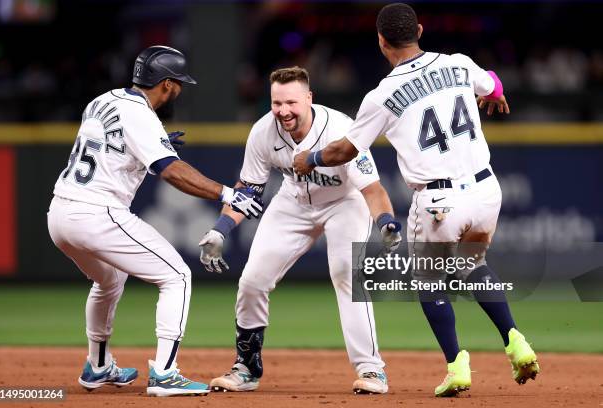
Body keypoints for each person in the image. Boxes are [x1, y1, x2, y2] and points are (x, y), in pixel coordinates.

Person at [293, 3, 539, 398]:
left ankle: (457, 365)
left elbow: (344, 151)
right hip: (485, 189)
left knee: (428, 279)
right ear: (420, 30)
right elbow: (492, 84)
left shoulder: (383, 94)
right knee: (473, 263)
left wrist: (312, 158)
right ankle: (515, 340)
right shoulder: (458, 63)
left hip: (440, 199)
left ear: (380, 40)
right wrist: (497, 92)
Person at [47, 45, 263, 397]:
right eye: (177, 83)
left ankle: (97, 366)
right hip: (96, 212)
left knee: (109, 281)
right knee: (177, 276)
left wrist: (154, 142)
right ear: (165, 84)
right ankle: (165, 373)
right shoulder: (141, 116)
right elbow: (171, 170)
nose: (179, 90)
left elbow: (112, 147)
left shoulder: (102, 100)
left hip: (59, 214)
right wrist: (228, 194)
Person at [198, 66, 402, 395]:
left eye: (291, 102)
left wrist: (386, 222)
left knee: (346, 273)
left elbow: (372, 190)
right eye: (277, 103)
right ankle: (247, 367)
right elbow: (248, 189)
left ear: (309, 98)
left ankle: (371, 370)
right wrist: (220, 230)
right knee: (252, 280)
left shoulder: (341, 129)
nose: (283, 111)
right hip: (293, 202)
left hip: (344, 202)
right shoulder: (264, 131)